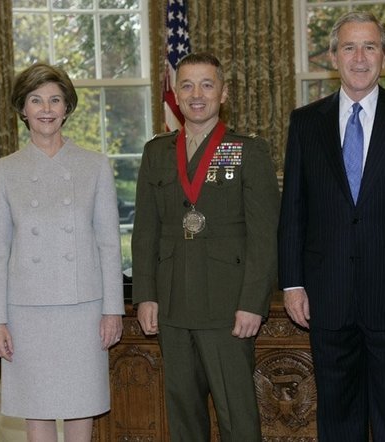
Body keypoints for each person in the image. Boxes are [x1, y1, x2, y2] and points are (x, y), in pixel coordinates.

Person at [278, 11, 385, 442]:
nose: (360, 57)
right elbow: (293, 209)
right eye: (349, 47)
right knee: (338, 417)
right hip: (326, 296)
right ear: (333, 56)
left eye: (370, 46)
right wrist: (292, 283)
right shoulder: (306, 122)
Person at [131, 52, 280, 441]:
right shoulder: (156, 152)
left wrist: (252, 302)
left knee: (237, 415)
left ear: (223, 93)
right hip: (172, 304)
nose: (197, 94)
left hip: (227, 308)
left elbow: (265, 236)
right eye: (187, 85)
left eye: (207, 84)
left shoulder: (247, 150)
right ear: (176, 96)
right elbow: (145, 231)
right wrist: (145, 295)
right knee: (182, 414)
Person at [0, 63, 124, 442]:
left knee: (82, 404)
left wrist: (113, 309)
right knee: (37, 407)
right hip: (26, 311)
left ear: (67, 108)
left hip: (84, 308)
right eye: (36, 99)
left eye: (55, 99)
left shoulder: (95, 166)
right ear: (22, 109)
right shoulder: (5, 170)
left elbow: (109, 244)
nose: (46, 108)